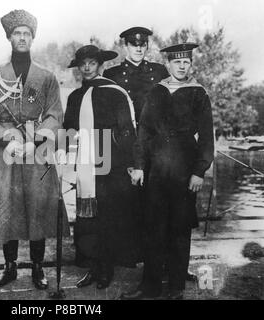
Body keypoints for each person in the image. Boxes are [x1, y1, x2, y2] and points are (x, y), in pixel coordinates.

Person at [0, 9, 70, 290]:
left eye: (27, 34)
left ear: (33, 38)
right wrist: (5, 136)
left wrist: (36, 137)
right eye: (17, 33)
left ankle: (38, 267)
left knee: (38, 207)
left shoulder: (47, 77)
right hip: (5, 151)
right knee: (8, 207)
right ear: (9, 37)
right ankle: (10, 267)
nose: (22, 38)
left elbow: (55, 114)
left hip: (37, 150)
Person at [121, 42, 214, 300]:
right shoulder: (157, 91)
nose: (182, 66)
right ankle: (149, 287)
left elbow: (207, 137)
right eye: (177, 62)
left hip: (185, 168)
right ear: (169, 64)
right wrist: (139, 166)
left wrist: (199, 171)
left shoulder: (199, 93)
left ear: (191, 65)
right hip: (158, 168)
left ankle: (176, 288)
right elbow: (144, 132)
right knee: (154, 229)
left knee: (180, 230)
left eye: (186, 62)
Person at [61, 45, 139, 289]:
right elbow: (68, 129)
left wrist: (133, 164)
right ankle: (93, 268)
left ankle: (106, 269)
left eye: (92, 63)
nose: (87, 67)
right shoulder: (74, 97)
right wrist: (61, 152)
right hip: (86, 165)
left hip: (111, 163)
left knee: (108, 217)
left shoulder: (115, 93)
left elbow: (127, 130)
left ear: (100, 65)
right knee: (89, 219)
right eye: (83, 63)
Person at [103, 27, 169, 124]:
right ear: (126, 46)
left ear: (147, 47)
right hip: (124, 135)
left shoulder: (159, 71)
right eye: (134, 45)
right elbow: (105, 113)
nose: (139, 49)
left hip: (153, 135)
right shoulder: (112, 74)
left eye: (142, 45)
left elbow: (167, 108)